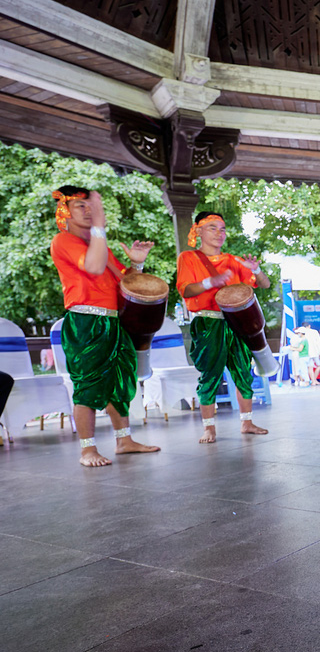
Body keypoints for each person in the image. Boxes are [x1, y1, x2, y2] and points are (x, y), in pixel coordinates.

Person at [49, 187, 160, 466]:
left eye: (91, 206)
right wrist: (99, 226)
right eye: (80, 207)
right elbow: (95, 268)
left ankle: (124, 440)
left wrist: (138, 262)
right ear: (65, 213)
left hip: (114, 321)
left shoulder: (101, 246)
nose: (88, 211)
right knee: (88, 385)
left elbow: (125, 282)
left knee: (120, 383)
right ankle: (87, 449)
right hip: (85, 321)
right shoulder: (63, 240)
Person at [176, 211, 270, 443]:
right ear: (198, 231)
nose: (219, 233)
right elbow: (186, 290)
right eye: (213, 228)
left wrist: (256, 270)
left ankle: (247, 422)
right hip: (208, 322)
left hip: (236, 321)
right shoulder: (189, 258)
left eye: (223, 228)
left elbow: (265, 285)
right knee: (210, 375)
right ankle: (209, 428)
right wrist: (210, 282)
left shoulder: (233, 261)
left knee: (242, 372)